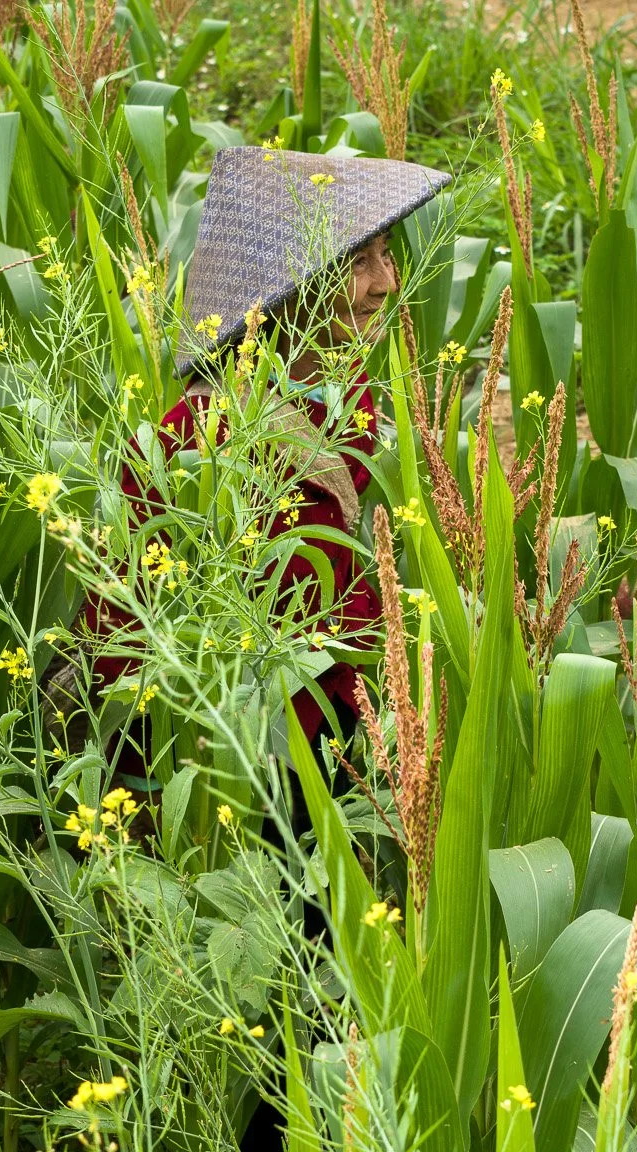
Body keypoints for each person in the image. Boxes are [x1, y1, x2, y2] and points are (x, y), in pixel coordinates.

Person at [88, 146, 450, 745]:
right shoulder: (188, 443)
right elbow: (128, 635)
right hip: (236, 752)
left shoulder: (346, 391)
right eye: (360, 263)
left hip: (336, 720)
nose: (385, 284)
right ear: (292, 285)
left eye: (386, 255)